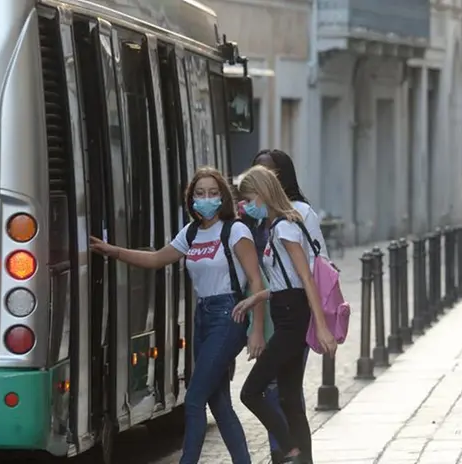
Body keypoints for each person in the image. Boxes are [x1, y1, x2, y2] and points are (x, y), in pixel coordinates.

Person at [89, 167, 265, 464]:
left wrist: (256, 330)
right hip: (203, 316)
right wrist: (112, 251)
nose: (206, 198)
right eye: (199, 193)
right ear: (191, 198)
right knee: (218, 402)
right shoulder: (192, 232)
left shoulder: (235, 230)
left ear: (222, 197)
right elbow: (157, 258)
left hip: (230, 315)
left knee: (194, 399)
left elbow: (256, 281)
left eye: (212, 193)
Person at [233, 165, 337, 464]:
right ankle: (303, 459)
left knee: (251, 392)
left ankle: (291, 447)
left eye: (250, 199)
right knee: (289, 398)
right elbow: (286, 281)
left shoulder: (284, 227)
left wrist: (321, 326)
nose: (247, 206)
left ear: (264, 194)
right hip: (287, 309)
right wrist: (258, 297)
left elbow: (305, 279)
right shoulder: (278, 225)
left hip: (293, 317)